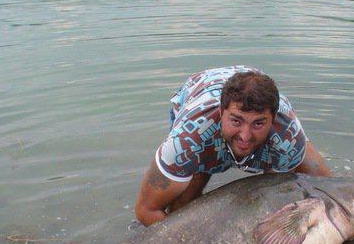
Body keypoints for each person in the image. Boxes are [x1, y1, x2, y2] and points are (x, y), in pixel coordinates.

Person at [135, 66, 332, 226]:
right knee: (183, 204)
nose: (245, 136)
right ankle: (202, 169)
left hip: (269, 120)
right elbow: (146, 210)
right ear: (221, 113)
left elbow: (277, 198)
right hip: (198, 93)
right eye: (236, 121)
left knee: (329, 190)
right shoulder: (185, 143)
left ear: (273, 120)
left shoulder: (287, 136)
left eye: (258, 123)